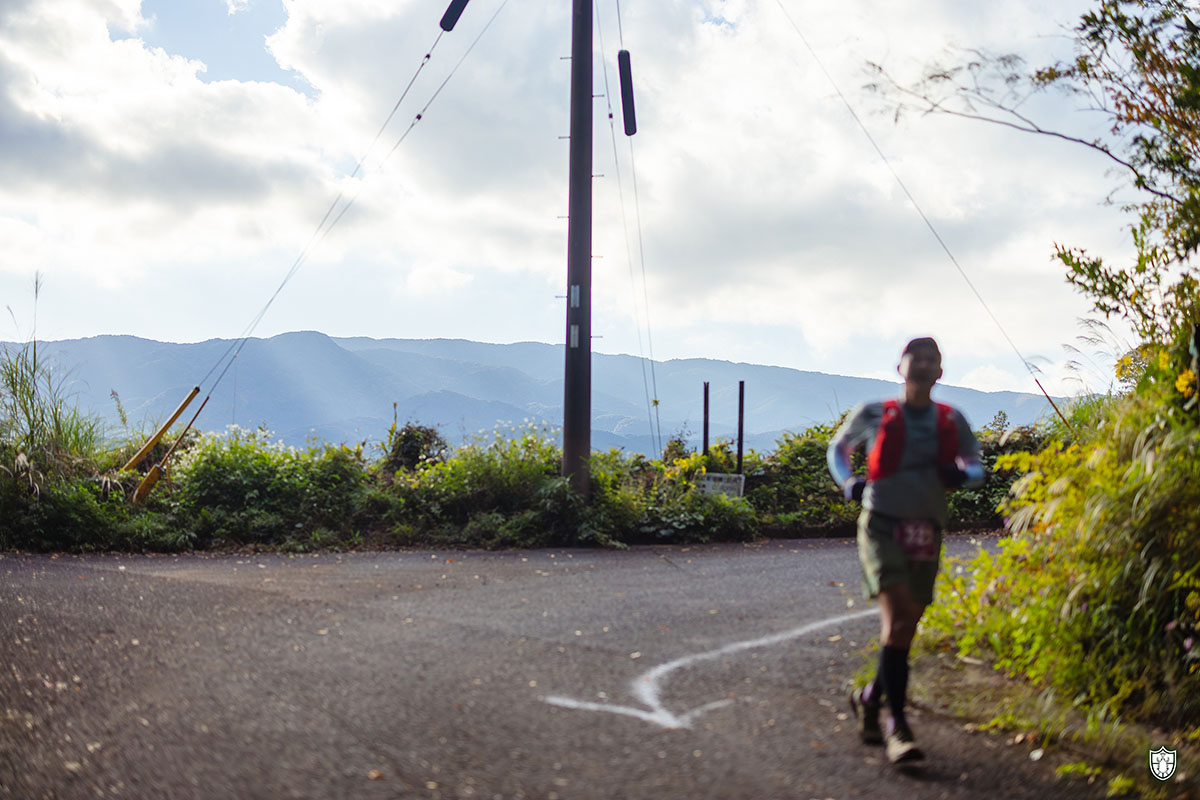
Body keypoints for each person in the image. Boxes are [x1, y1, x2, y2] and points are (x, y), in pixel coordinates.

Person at [826, 337, 983, 764]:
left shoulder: (952, 419)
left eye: (933, 359)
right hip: (881, 526)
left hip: (926, 530)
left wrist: (962, 475)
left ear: (940, 371)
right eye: (917, 357)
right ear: (901, 367)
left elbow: (975, 464)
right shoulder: (874, 413)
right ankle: (898, 726)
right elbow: (839, 448)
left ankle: (868, 697)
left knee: (904, 630)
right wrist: (848, 482)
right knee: (896, 621)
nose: (925, 364)